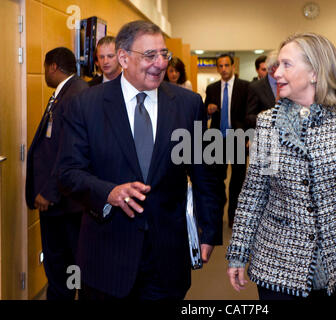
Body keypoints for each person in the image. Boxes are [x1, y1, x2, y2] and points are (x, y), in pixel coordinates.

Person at [226, 32, 336, 301]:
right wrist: (238, 251)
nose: (276, 73)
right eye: (277, 65)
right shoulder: (267, 123)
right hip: (279, 265)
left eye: (287, 65)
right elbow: (254, 194)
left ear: (314, 73)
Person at [57, 20, 222, 300]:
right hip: (106, 255)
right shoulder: (86, 105)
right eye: (150, 55)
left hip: (166, 257)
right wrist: (108, 192)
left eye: (164, 54)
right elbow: (67, 172)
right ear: (123, 57)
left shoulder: (187, 104)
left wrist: (210, 231)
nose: (160, 63)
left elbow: (204, 172)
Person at [25, 47, 88, 299]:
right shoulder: (68, 92)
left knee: (62, 264)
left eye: (44, 68)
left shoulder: (74, 95)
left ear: (53, 67)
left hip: (62, 201)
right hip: (61, 200)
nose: (44, 74)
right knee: (61, 265)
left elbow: (68, 150)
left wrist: (48, 191)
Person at [205, 53, 249, 228]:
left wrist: (247, 135)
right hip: (217, 139)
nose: (223, 69)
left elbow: (249, 114)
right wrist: (208, 109)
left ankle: (233, 215)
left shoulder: (245, 87)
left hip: (237, 138)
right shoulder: (212, 88)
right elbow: (204, 110)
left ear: (233, 67)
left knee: (237, 180)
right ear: (217, 68)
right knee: (217, 179)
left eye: (226, 65)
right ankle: (219, 208)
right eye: (220, 66)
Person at [245, 51, 278, 129]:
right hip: (265, 134)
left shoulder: (289, 84)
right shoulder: (256, 87)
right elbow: (249, 118)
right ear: (273, 68)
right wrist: (263, 116)